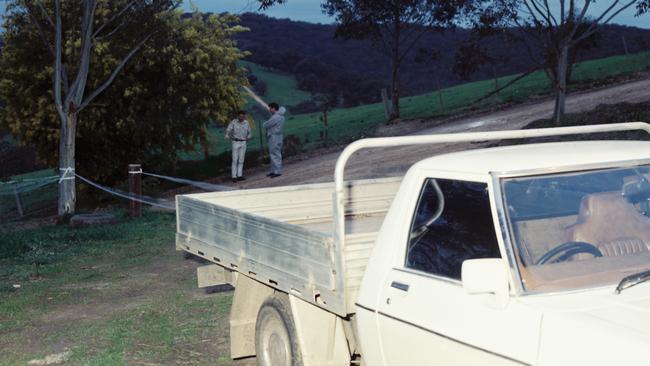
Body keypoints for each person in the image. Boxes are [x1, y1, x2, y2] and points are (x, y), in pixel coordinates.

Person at [225, 110, 252, 183]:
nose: (241, 117)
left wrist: (248, 137)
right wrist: (227, 134)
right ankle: (234, 176)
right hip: (235, 142)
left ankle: (240, 175)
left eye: (242, 116)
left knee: (241, 160)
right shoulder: (233, 122)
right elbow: (228, 129)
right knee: (234, 160)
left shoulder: (246, 123)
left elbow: (249, 132)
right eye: (240, 116)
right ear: (238, 116)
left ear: (244, 116)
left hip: (243, 142)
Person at [263, 102, 286, 178]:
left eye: (270, 108)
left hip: (274, 137)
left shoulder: (276, 117)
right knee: (274, 153)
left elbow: (266, 125)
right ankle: (273, 171)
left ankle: (277, 171)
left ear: (273, 108)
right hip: (278, 136)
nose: (269, 109)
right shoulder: (281, 116)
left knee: (275, 154)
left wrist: (265, 123)